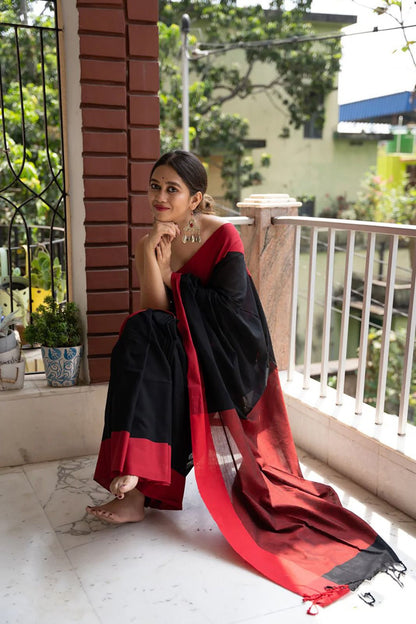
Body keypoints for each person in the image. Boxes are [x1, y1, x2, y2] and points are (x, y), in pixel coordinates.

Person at [87, 150, 405, 611]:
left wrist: (179, 287)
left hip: (230, 362)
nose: (159, 196)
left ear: (195, 198)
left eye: (172, 189)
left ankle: (140, 484)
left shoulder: (224, 237)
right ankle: (136, 487)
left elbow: (237, 319)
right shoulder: (154, 239)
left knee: (149, 340)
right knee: (139, 331)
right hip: (183, 348)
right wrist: (147, 256)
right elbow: (158, 315)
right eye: (155, 186)